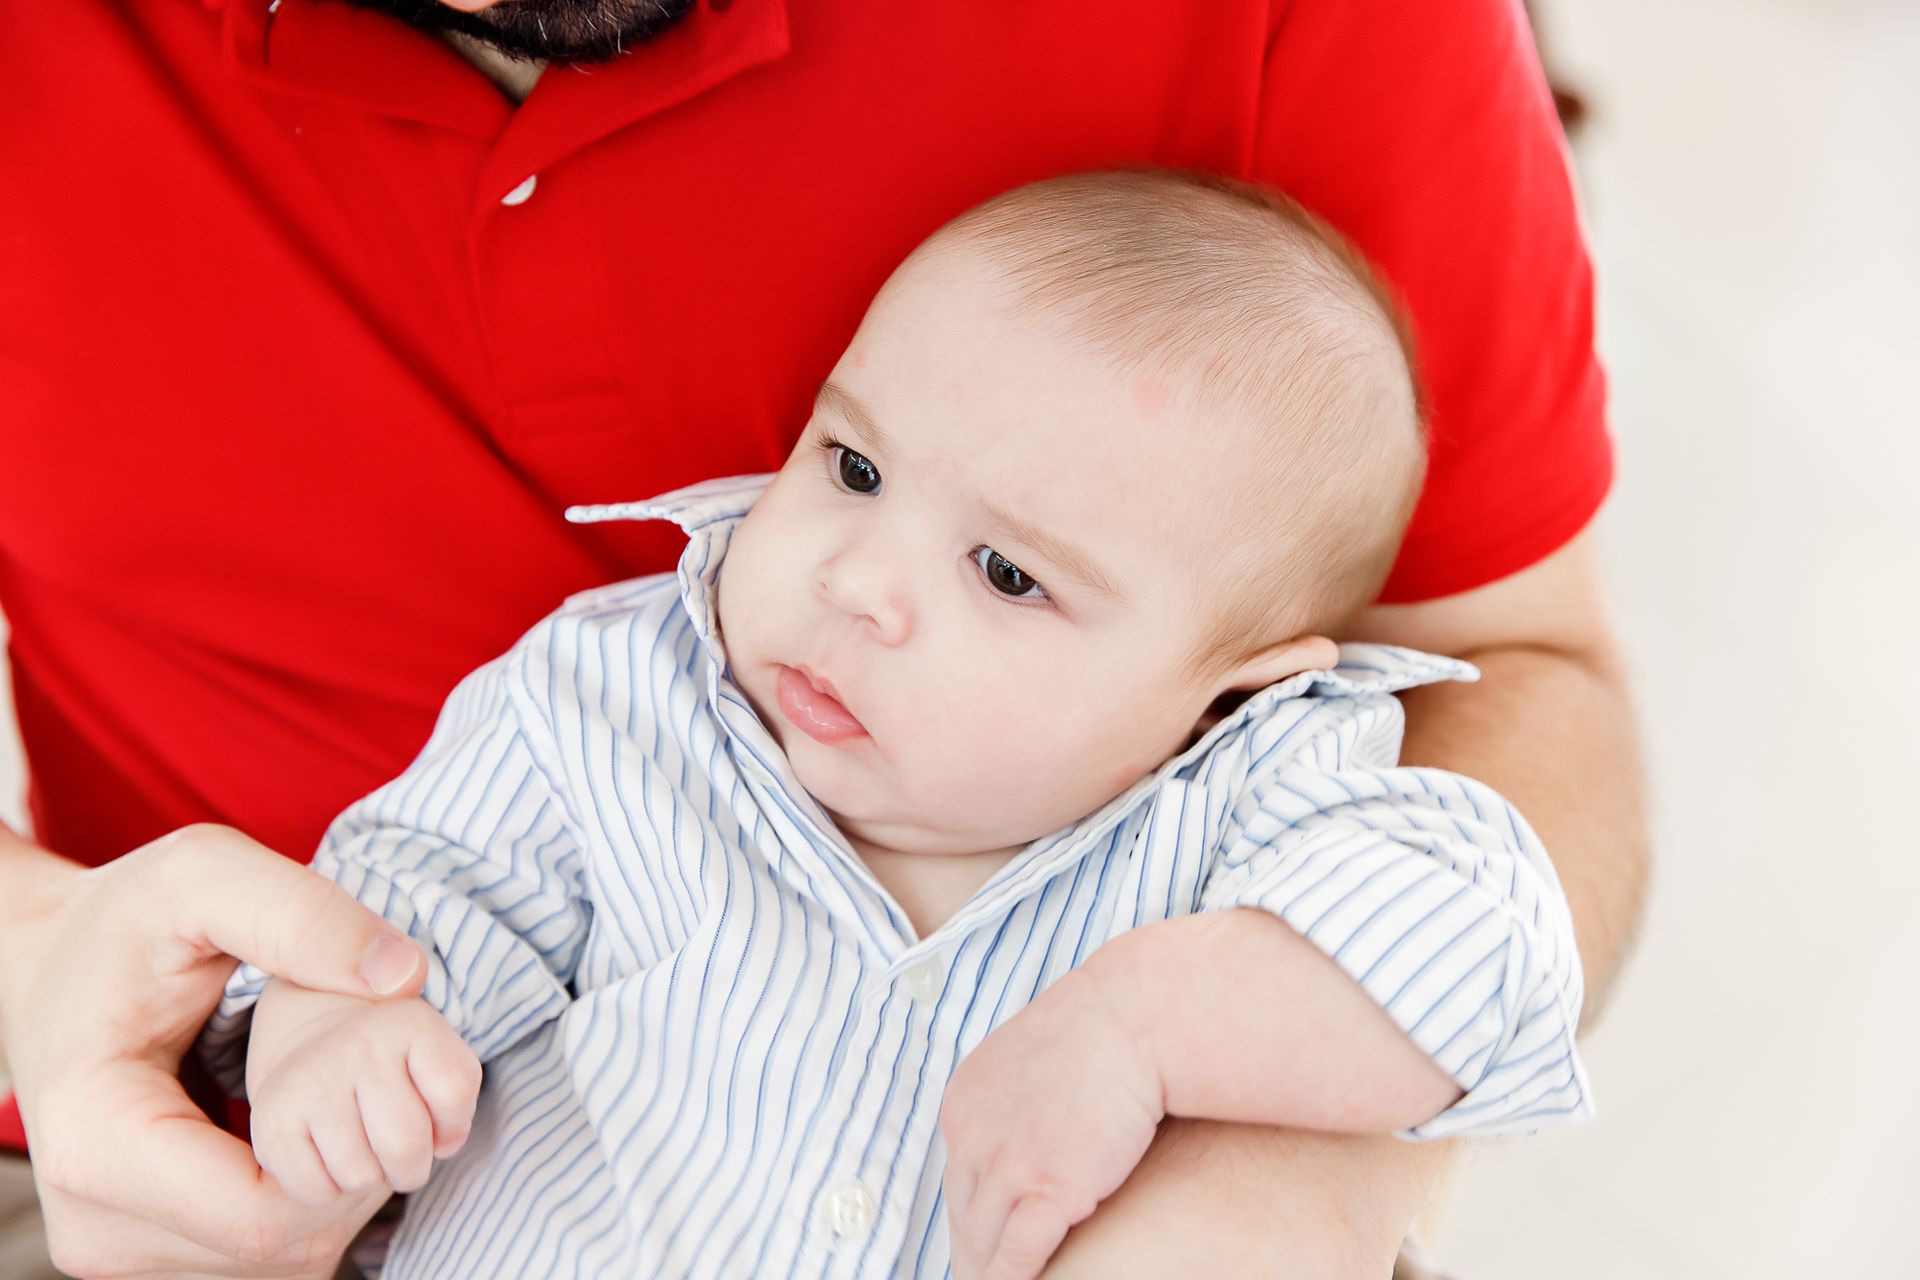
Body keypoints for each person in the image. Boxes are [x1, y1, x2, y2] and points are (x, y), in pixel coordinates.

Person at [0, 1, 1648, 1277]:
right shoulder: (613, 698)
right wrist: (255, 1026)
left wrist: (1256, 1127)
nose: (859, 583)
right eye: (844, 467)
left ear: (1232, 692)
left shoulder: (1265, 780)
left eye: (1014, 576)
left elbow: (1500, 837)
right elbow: (421, 912)